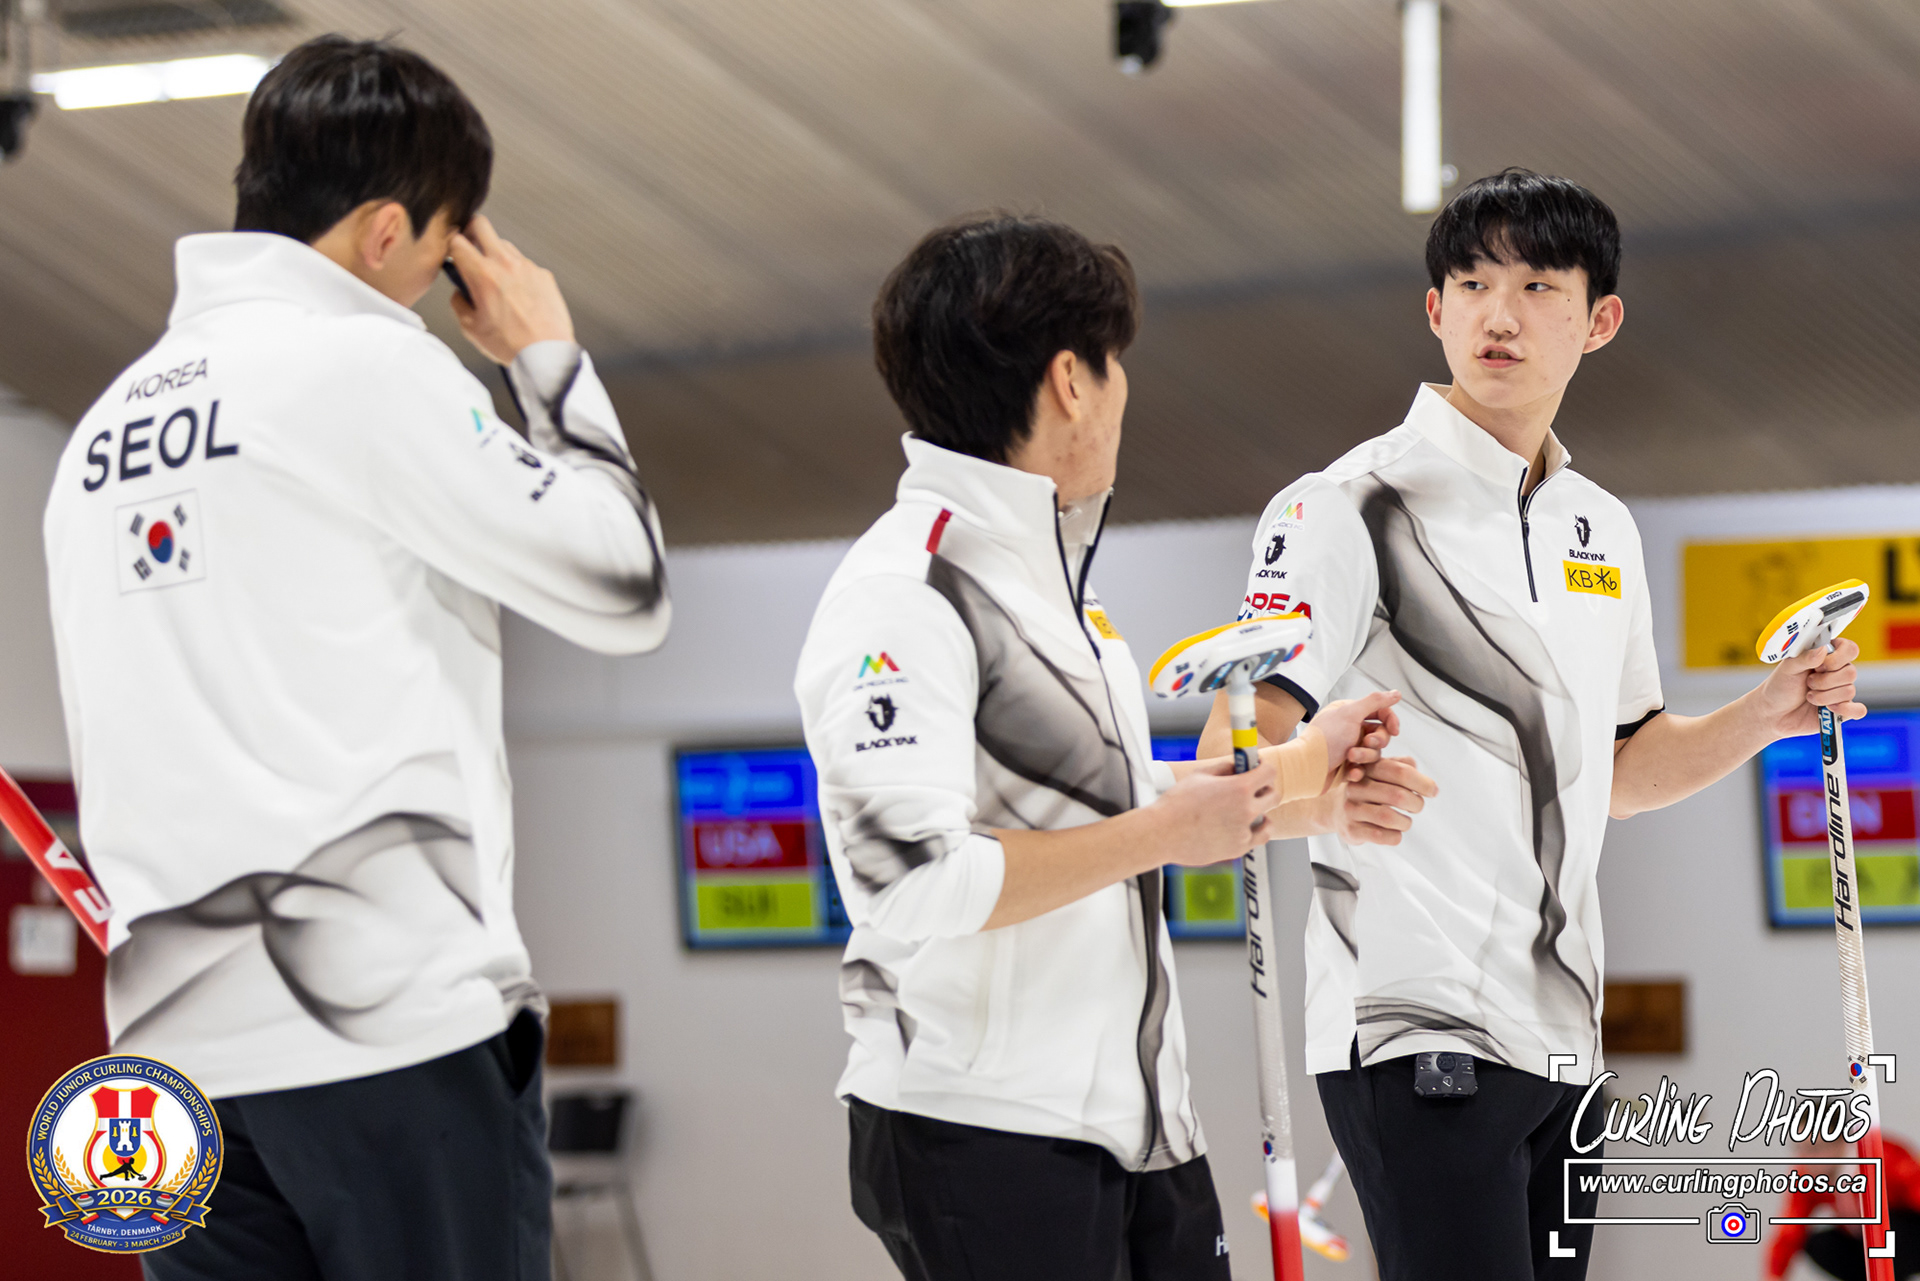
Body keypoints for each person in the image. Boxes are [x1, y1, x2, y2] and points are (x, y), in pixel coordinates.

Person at [42, 35, 669, 1281]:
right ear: (388, 232)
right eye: (446, 249)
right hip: (386, 1029)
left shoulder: (101, 433)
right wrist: (545, 361)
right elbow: (626, 586)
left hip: (173, 1055)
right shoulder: (366, 367)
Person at [1199, 167, 1863, 1281]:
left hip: (1564, 1038)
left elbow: (1624, 770)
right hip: (1414, 1024)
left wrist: (1769, 711)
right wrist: (1318, 789)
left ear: (1600, 321)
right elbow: (1235, 753)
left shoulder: (1600, 527)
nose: (1498, 315)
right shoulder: (1347, 506)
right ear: (1435, 310)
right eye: (1472, 284)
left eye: (1537, 286)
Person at [793, 213, 1406, 1281]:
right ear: (1071, 380)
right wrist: (1165, 832)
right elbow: (911, 880)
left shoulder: (1056, 594)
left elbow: (1100, 804)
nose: (1125, 392)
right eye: (1115, 363)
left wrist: (1304, 785)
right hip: (984, 1128)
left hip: (1138, 1125)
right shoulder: (907, 593)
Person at [1769, 1135, 1920, 1280]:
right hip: (1864, 1243)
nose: (1806, 1158)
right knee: (1820, 1244)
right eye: (1800, 1149)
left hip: (1904, 1237)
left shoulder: (1881, 1156)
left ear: (1841, 1141)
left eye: (1815, 1149)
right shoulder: (1806, 1176)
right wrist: (1774, 1275)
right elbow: (1791, 1226)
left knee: (1885, 1227)